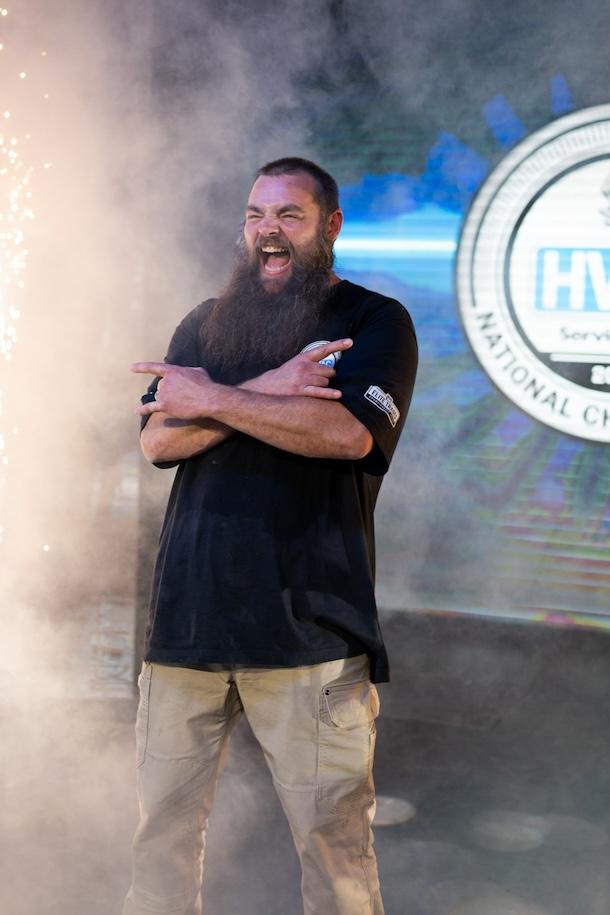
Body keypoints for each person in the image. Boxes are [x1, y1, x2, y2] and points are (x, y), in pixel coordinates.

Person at [123, 157, 418, 915]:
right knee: (160, 845)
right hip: (185, 630)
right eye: (257, 215)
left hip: (312, 637)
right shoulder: (204, 322)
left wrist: (208, 401)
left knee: (336, 859)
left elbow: (347, 434)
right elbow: (157, 443)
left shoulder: (372, 322)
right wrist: (263, 391)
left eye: (288, 215)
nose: (268, 232)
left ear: (330, 225)